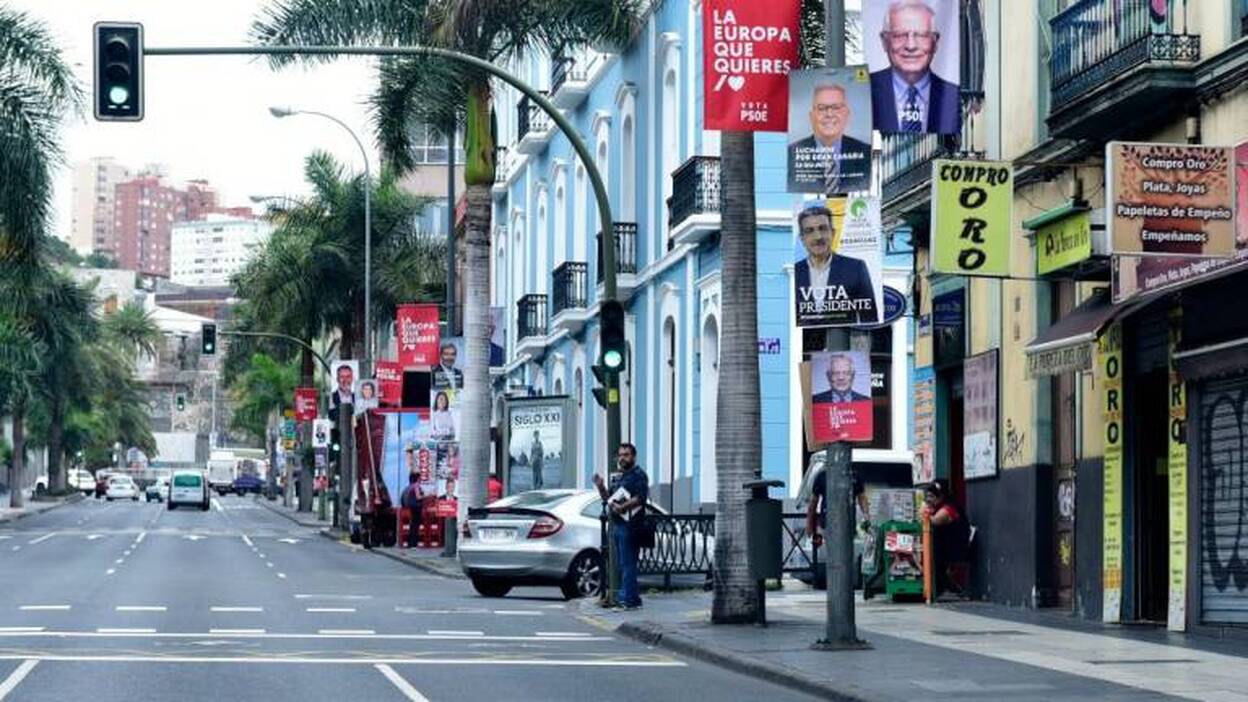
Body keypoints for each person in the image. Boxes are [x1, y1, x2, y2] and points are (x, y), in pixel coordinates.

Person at [870, 0, 959, 134]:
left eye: (921, 35)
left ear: (935, 42)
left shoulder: (954, 96)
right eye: (899, 35)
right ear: (884, 41)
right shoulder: (866, 91)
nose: (910, 46)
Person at [794, 206, 878, 325]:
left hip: (845, 340)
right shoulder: (795, 272)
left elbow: (870, 318)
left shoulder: (855, 268)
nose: (818, 237)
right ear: (802, 238)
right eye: (809, 231)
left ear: (833, 233)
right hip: (803, 341)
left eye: (823, 229)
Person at [592, 442, 649, 610]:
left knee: (627, 564)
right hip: (618, 525)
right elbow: (608, 498)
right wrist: (600, 485)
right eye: (621, 455)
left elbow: (640, 498)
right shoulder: (620, 476)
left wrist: (622, 507)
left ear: (634, 457)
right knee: (623, 563)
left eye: (626, 455)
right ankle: (634, 599)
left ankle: (627, 600)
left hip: (631, 525)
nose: (622, 458)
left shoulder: (638, 475)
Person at [787, 83, 871, 194]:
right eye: (822, 108)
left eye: (836, 108)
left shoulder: (866, 152)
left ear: (847, 114)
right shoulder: (791, 154)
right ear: (811, 116)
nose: (829, 114)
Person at [922, 479, 971, 598]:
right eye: (927, 496)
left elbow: (935, 520)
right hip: (943, 545)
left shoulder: (950, 507)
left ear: (940, 496)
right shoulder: (937, 506)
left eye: (932, 496)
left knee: (937, 559)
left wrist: (924, 509)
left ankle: (946, 588)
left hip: (954, 546)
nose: (929, 499)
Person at [803, 463, 870, 548]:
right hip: (827, 525)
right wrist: (809, 524)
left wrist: (866, 515)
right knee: (828, 552)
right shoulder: (823, 476)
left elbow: (862, 498)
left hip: (848, 525)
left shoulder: (854, 477)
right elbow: (813, 503)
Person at [401, 472, 422, 548]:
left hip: (409, 509)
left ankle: (410, 543)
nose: (420, 480)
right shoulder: (416, 486)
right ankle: (414, 544)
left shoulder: (407, 488)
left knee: (412, 526)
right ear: (417, 479)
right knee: (415, 526)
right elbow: (418, 497)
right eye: (419, 478)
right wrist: (426, 496)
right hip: (416, 508)